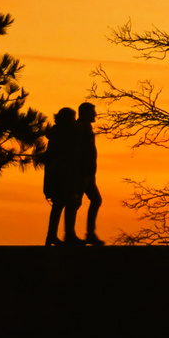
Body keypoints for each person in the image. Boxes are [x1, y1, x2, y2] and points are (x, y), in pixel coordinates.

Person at [41, 107, 82, 245]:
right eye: (73, 117)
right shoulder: (64, 133)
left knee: (62, 204)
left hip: (61, 174)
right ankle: (61, 235)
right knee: (63, 203)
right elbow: (63, 156)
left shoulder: (58, 133)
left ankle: (56, 235)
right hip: (62, 175)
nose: (75, 120)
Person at [76, 102, 103, 245]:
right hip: (82, 173)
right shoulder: (80, 128)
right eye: (93, 112)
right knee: (75, 203)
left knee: (95, 200)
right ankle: (73, 234)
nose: (95, 115)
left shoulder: (86, 127)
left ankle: (89, 233)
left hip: (88, 173)